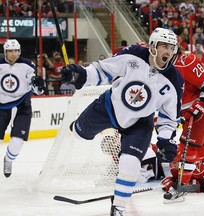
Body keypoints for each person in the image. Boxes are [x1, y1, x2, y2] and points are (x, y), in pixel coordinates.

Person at [60, 28, 184, 215]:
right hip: (109, 107)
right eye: (164, 46)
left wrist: (166, 139)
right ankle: (79, 127)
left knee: (131, 163)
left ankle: (118, 207)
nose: (168, 52)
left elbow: (169, 117)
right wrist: (83, 75)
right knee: (78, 133)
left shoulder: (175, 80)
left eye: (171, 48)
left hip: (140, 123)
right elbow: (103, 70)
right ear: (152, 46)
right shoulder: (134, 54)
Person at [160, 51, 204, 203]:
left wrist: (200, 105)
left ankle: (182, 185)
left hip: (203, 111)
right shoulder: (158, 68)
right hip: (189, 115)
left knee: (189, 147)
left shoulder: (185, 61)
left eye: (167, 46)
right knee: (203, 149)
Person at [0, 39, 45, 178]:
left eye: (16, 51)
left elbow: (37, 89)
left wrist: (38, 84)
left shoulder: (27, 64)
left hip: (22, 106)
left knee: (17, 142)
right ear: (5, 52)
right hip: (1, 106)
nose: (14, 54)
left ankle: (8, 160)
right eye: (10, 51)